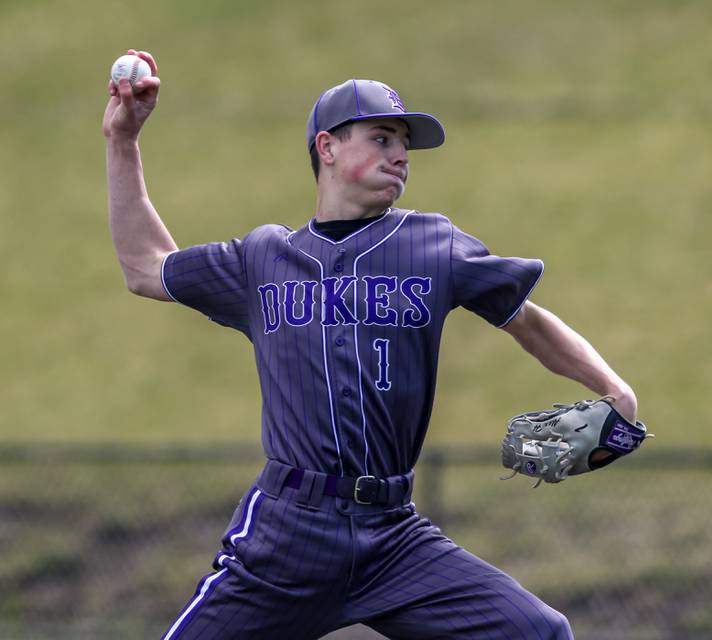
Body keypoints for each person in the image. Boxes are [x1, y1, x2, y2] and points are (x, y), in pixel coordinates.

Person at [104, 49, 638, 640]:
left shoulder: (434, 245)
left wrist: (613, 389)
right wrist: (123, 141)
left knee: (539, 633)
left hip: (393, 537)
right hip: (288, 536)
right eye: (382, 138)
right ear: (327, 148)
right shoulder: (264, 258)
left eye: (404, 144)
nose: (401, 155)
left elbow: (529, 321)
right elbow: (145, 267)